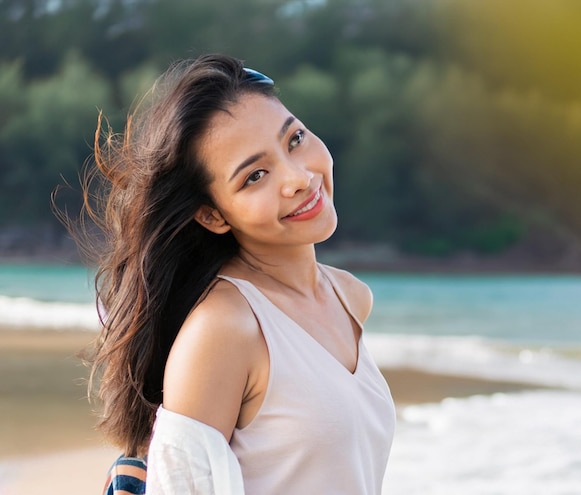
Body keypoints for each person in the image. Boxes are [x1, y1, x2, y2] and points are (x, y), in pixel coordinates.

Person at [75, 54, 395, 494]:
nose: (298, 177)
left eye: (296, 139)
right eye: (255, 176)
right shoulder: (224, 329)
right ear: (212, 216)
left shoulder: (350, 297)